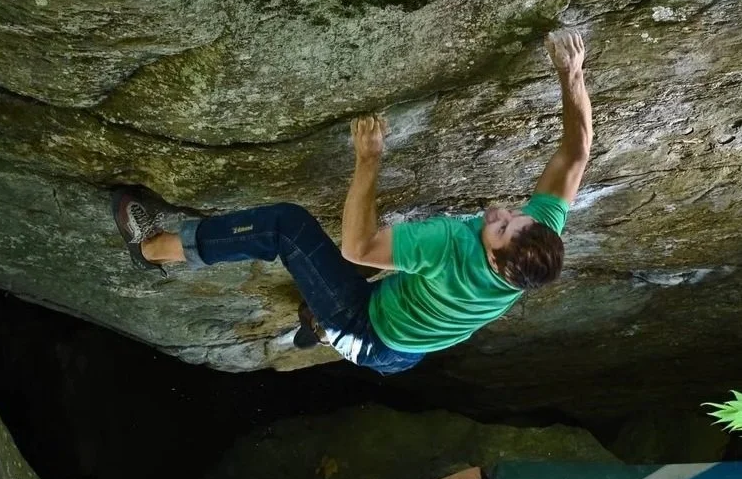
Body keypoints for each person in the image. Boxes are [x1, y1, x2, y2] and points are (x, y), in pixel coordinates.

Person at [112, 30, 592, 375]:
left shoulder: (450, 248)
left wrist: (368, 160)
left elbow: (357, 246)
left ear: (494, 260)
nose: (501, 214)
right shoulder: (534, 245)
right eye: (515, 216)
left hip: (367, 330)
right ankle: (318, 323)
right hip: (408, 351)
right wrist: (571, 74)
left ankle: (153, 249)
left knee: (288, 226)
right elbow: (576, 154)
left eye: (501, 229)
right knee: (362, 280)